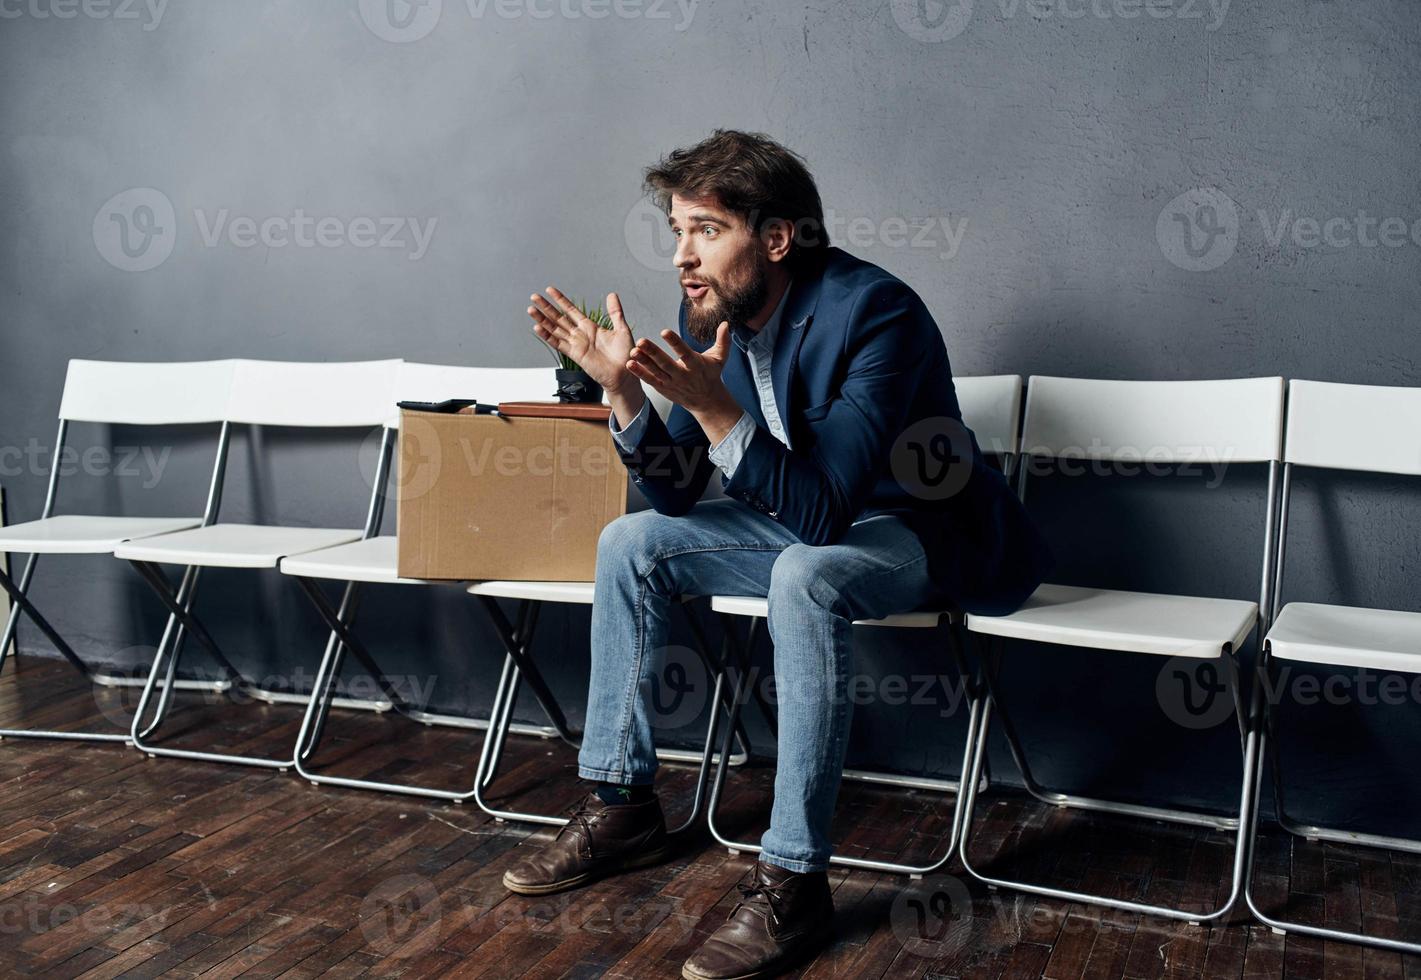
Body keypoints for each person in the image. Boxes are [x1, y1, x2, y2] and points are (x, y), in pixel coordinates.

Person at [508, 129, 1053, 980]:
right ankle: (622, 803)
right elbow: (677, 494)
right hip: (821, 528)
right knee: (631, 541)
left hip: (924, 532)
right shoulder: (716, 317)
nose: (683, 257)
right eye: (677, 232)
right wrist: (622, 393)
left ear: (774, 238)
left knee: (802, 571)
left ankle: (794, 879)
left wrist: (715, 408)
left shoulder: (876, 312)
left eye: (706, 230)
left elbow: (827, 510)